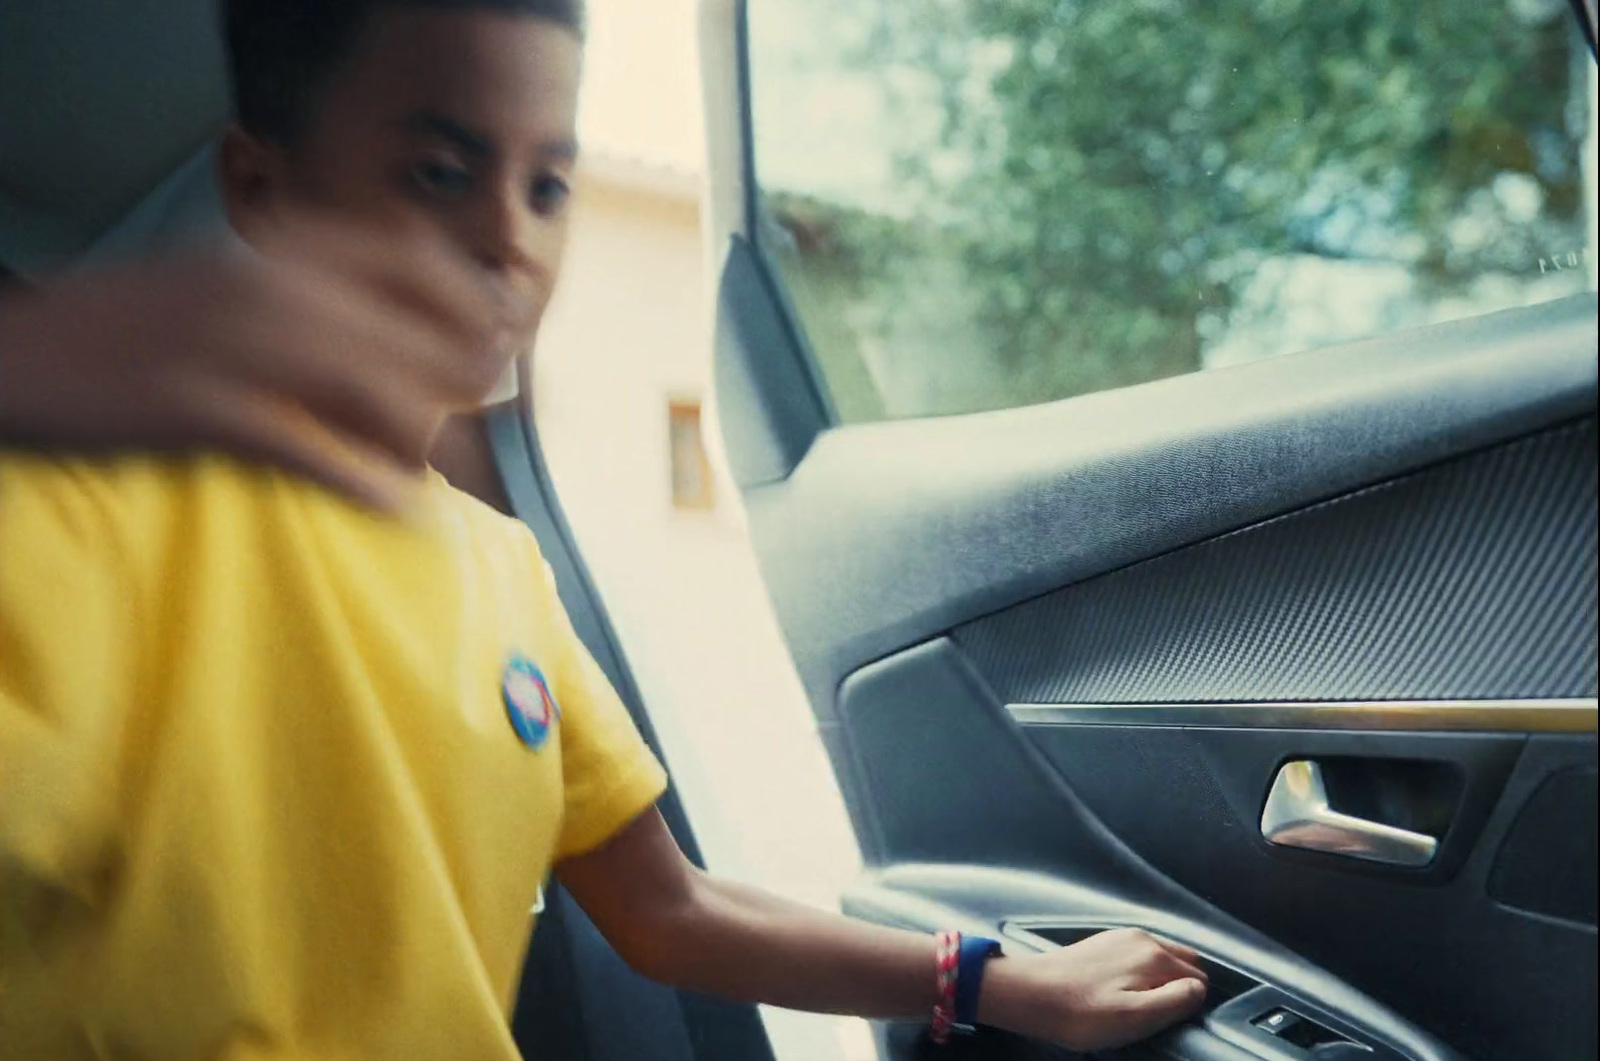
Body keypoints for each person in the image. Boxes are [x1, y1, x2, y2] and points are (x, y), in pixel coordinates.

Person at [0, 1, 1209, 1057]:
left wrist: (1002, 981)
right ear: (261, 190)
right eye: (439, 171)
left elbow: (669, 910)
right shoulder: (86, 504)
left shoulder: (505, 568)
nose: (511, 239)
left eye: (548, 185)